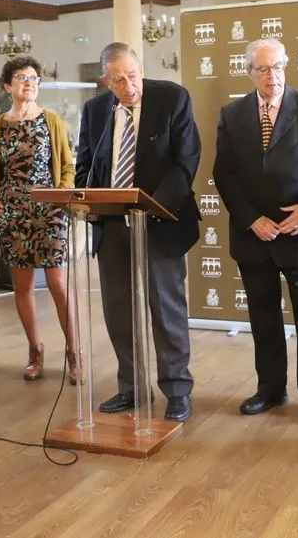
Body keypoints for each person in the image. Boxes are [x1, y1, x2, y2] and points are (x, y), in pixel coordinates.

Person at [75, 42, 201, 422]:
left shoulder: (172, 98)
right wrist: (85, 200)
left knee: (166, 309)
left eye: (133, 76)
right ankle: (131, 387)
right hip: (111, 224)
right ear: (105, 81)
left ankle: (176, 389)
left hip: (159, 222)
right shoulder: (96, 111)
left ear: (141, 70)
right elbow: (85, 164)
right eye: (118, 80)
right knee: (118, 311)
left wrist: (152, 206)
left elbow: (186, 161)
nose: (129, 86)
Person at [213, 38, 298, 423]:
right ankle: (270, 389)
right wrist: (251, 219)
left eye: (278, 66)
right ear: (249, 72)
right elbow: (224, 173)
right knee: (263, 317)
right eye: (263, 69)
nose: (273, 76)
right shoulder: (232, 114)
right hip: (254, 235)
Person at [0, 55, 79, 384]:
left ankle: (74, 353)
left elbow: (68, 167)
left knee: (57, 284)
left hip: (50, 212)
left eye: (34, 79)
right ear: (7, 86)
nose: (29, 83)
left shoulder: (52, 121)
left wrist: (61, 197)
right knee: (22, 286)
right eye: (22, 78)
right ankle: (34, 351)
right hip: (12, 214)